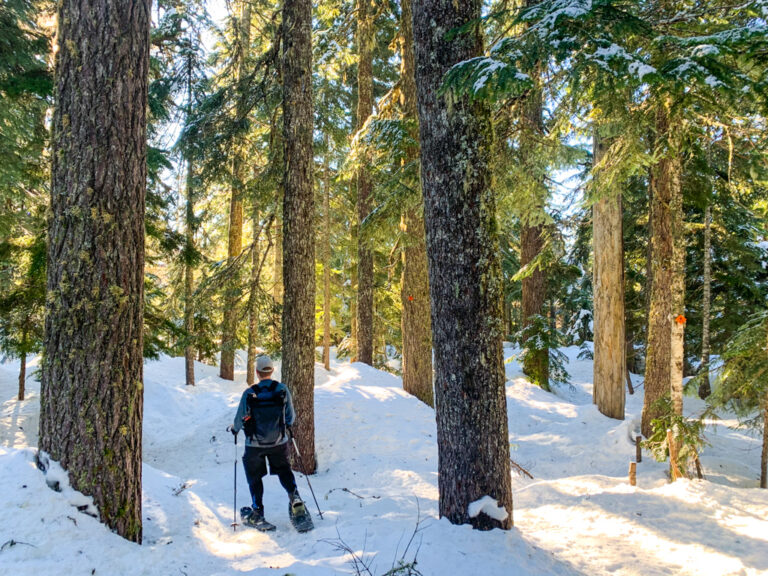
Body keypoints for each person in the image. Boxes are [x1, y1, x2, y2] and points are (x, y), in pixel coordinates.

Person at [231, 355, 301, 527]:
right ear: (272, 370)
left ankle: (257, 511)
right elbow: (290, 418)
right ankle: (295, 498)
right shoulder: (282, 389)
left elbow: (239, 419)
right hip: (279, 442)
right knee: (284, 471)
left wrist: (234, 429)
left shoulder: (249, 393)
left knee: (254, 478)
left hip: (254, 445)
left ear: (257, 372)